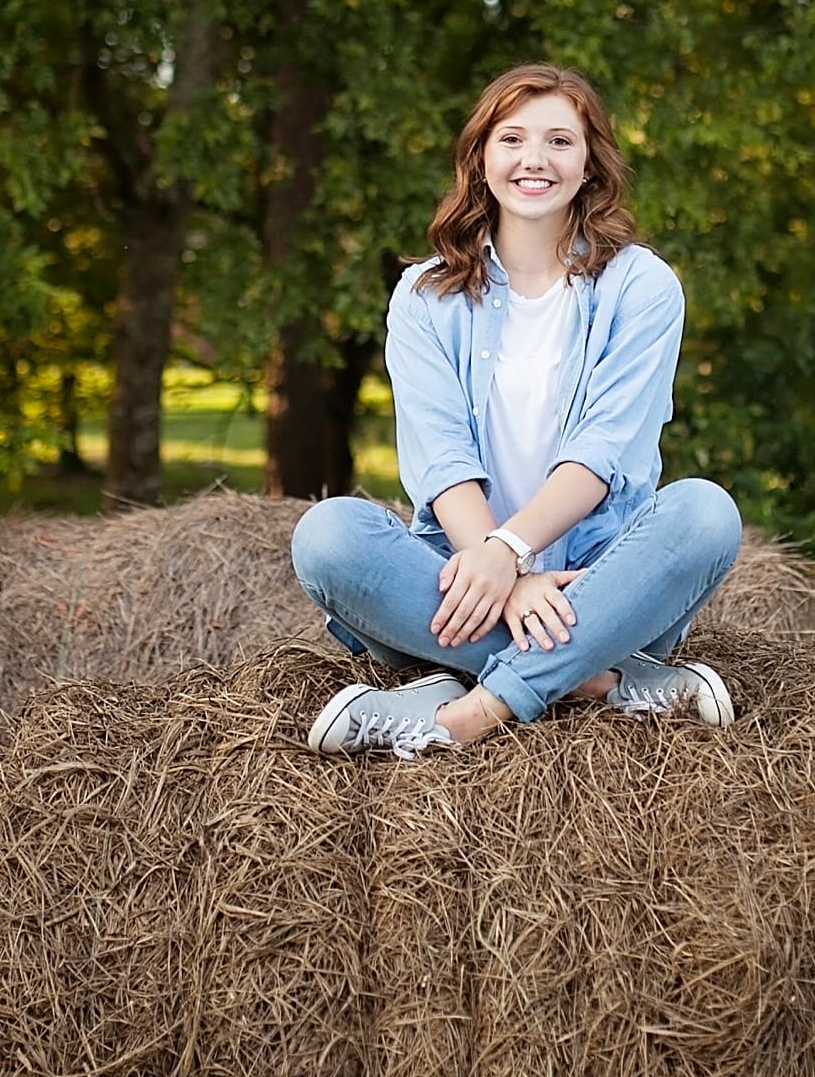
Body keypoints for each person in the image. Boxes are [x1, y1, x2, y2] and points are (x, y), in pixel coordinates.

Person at [291, 62, 743, 757]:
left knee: (706, 513)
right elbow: (442, 460)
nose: (535, 159)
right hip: (463, 582)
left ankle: (462, 715)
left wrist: (515, 549)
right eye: (513, 138)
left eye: (560, 141)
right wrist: (499, 568)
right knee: (327, 535)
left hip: (602, 583)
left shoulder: (642, 287)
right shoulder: (423, 295)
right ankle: (602, 681)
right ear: (481, 156)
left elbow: (602, 451)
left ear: (591, 163)